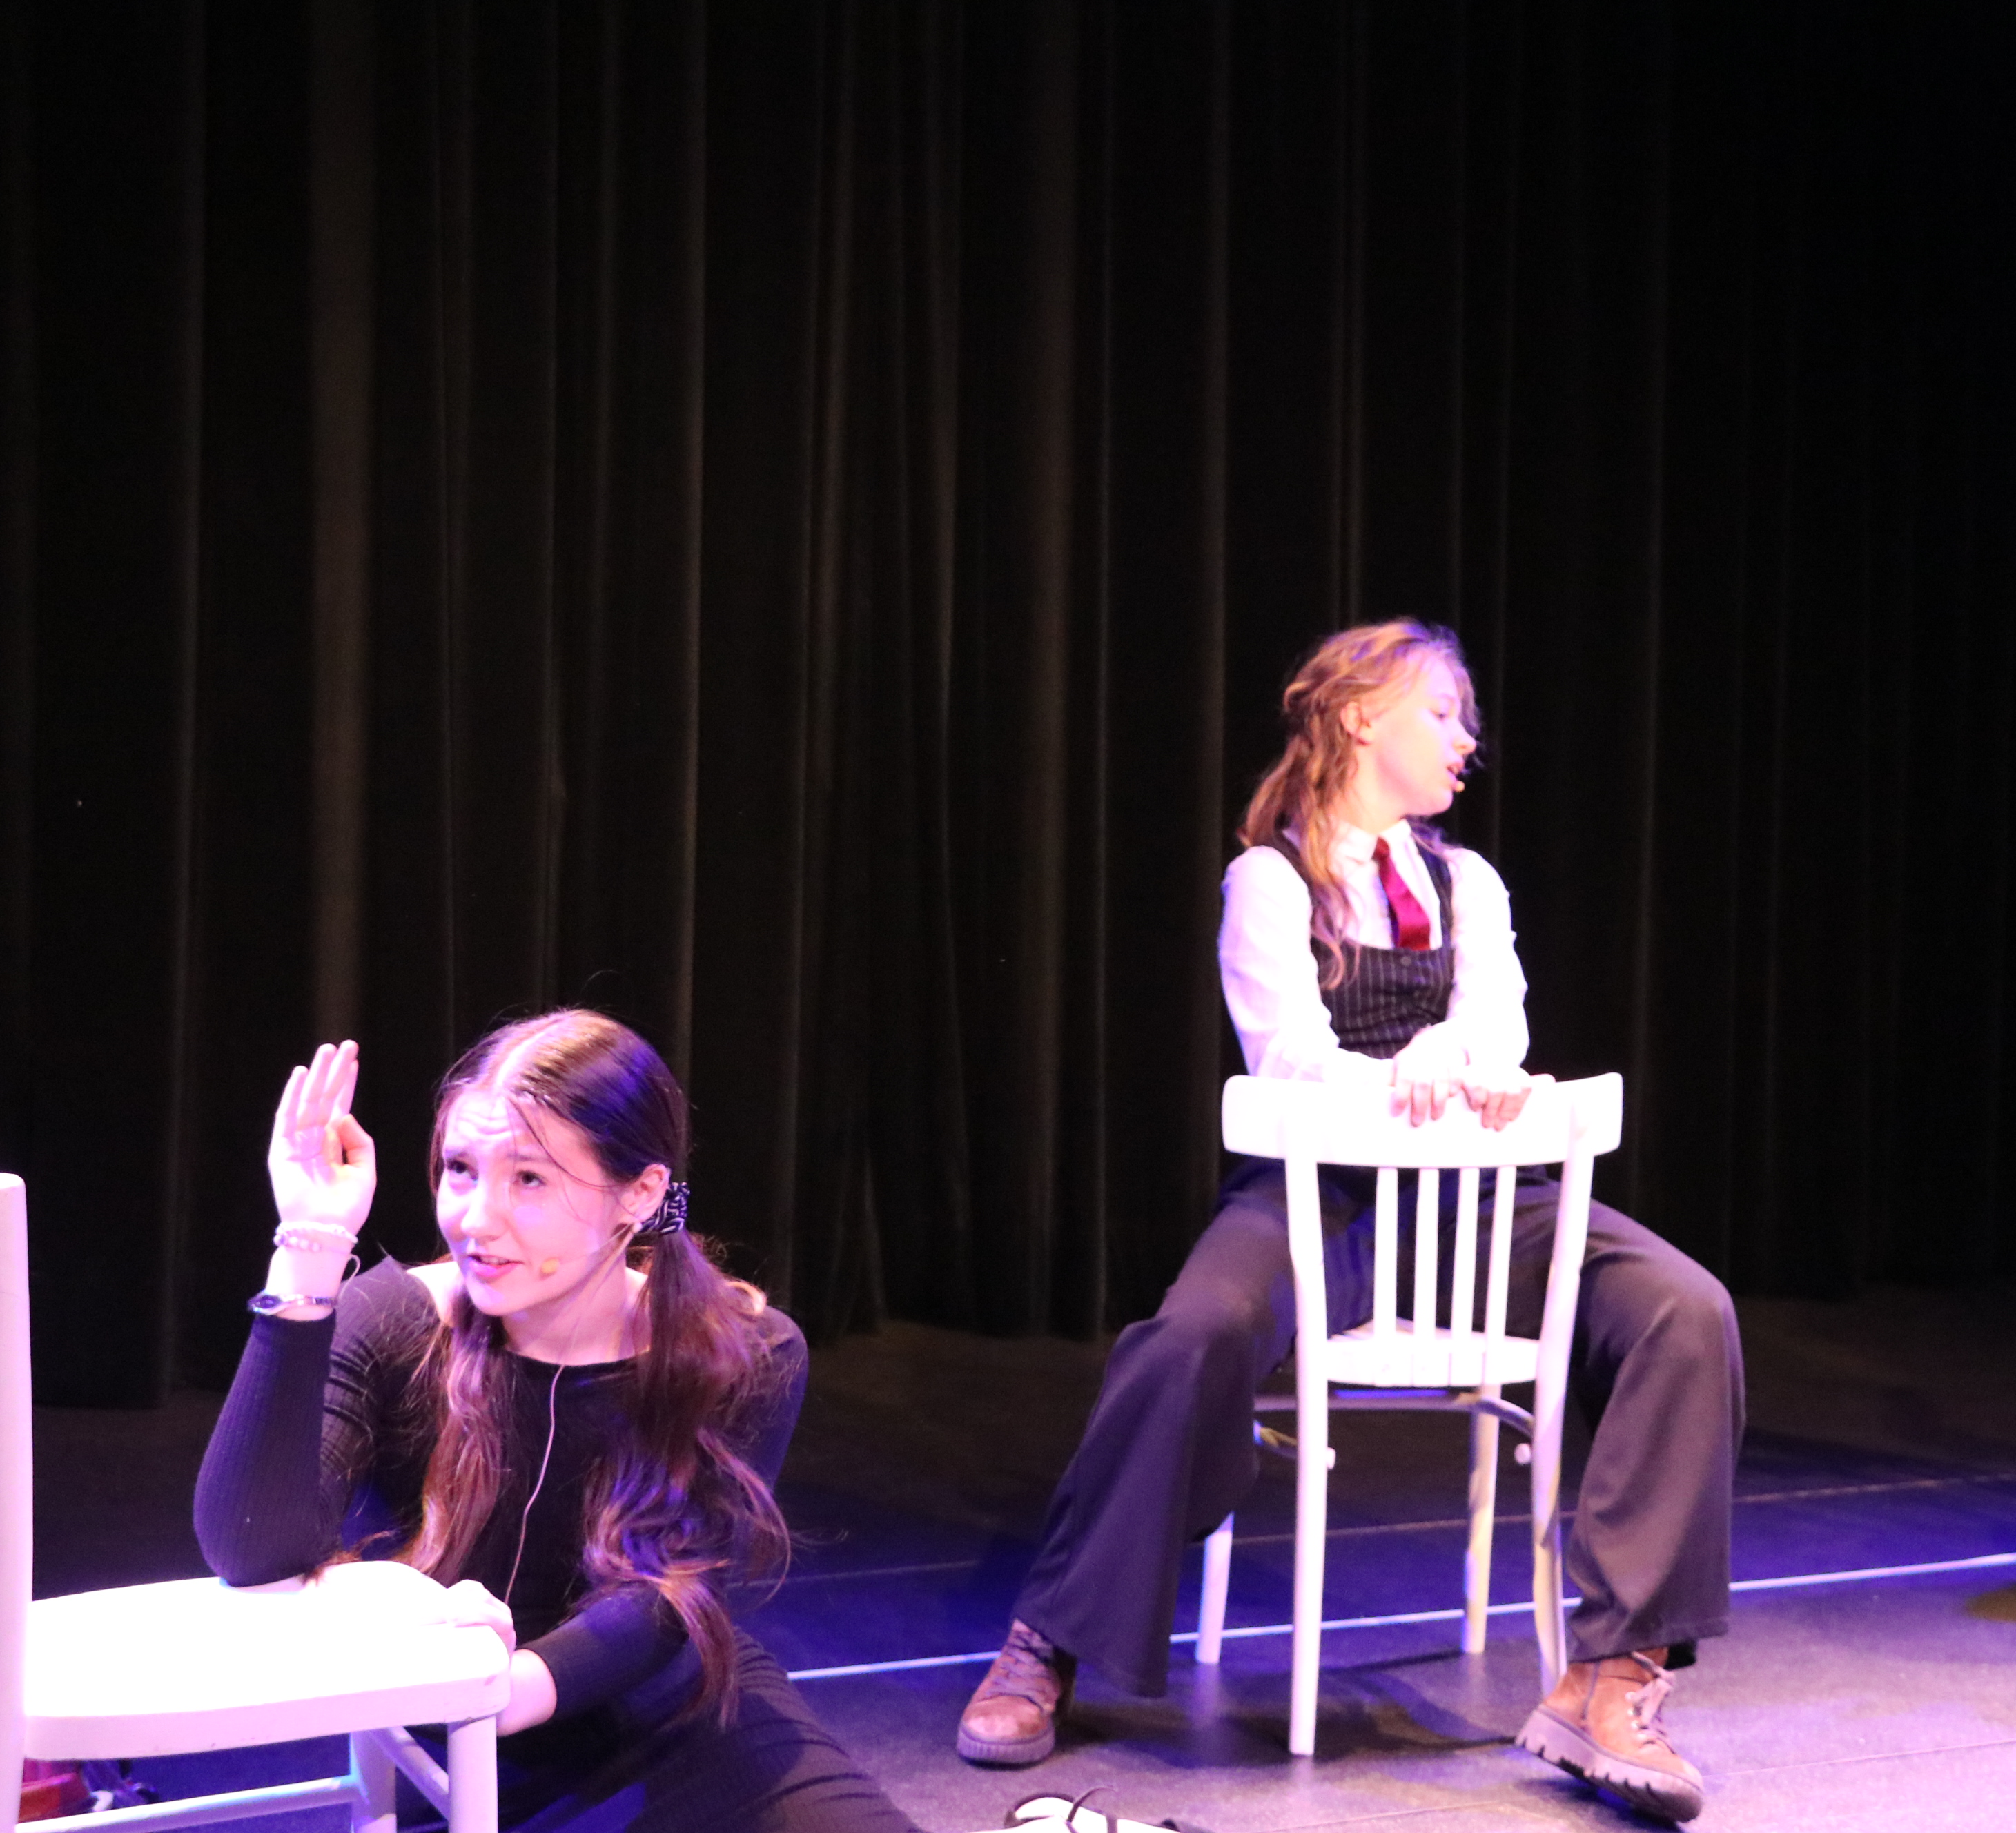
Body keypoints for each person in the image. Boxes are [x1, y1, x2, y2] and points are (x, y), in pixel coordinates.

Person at [954, 621, 1744, 1823]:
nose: (1467, 740)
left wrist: (1456, 1062)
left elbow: (1499, 1035)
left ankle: (1612, 1675)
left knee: (1685, 1309)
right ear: (1361, 716)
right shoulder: (1271, 882)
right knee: (1191, 1338)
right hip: (1322, 1196)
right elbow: (1288, 1057)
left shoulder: (1467, 885)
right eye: (1443, 713)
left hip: (1477, 1205)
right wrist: (1401, 1080)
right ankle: (1048, 1636)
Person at [195, 1013, 917, 1833]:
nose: (477, 1218)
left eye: (530, 1179)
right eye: (461, 1170)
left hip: (664, 1718)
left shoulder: (745, 1352)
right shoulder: (392, 1320)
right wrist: (310, 1251)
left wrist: (509, 1687)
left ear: (638, 1194)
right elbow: (248, 1549)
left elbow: (668, 1596)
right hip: (455, 1744)